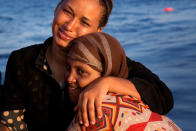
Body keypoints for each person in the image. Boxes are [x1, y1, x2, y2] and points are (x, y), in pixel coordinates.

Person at [0, 0, 173, 130]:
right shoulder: (22, 59)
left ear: (98, 30)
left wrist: (107, 83)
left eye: (84, 22)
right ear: (57, 7)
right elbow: (10, 120)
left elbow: (163, 98)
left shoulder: (107, 62)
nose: (69, 26)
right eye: (67, 12)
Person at [65, 32, 181, 131]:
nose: (70, 78)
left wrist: (107, 82)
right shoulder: (131, 98)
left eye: (81, 71)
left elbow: (163, 96)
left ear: (107, 72)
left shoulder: (95, 114)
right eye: (68, 68)